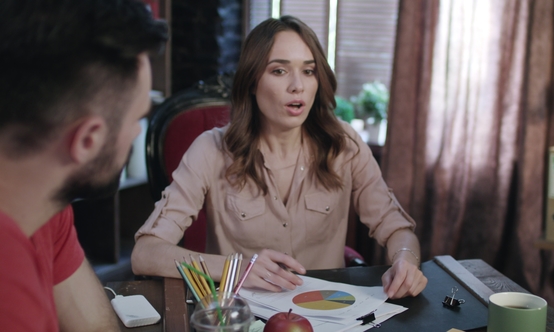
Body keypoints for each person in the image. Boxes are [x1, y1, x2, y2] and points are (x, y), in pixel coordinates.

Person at [132, 15, 427, 299]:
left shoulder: (344, 144)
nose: (297, 85)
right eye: (279, 71)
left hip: (327, 312)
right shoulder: (211, 150)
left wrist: (405, 261)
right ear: (251, 82)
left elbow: (398, 229)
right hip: (241, 316)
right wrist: (235, 269)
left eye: (308, 71)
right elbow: (146, 253)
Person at [0, 0, 168, 330]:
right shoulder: (7, 279)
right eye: (136, 119)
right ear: (88, 140)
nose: (137, 133)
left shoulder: (44, 208)